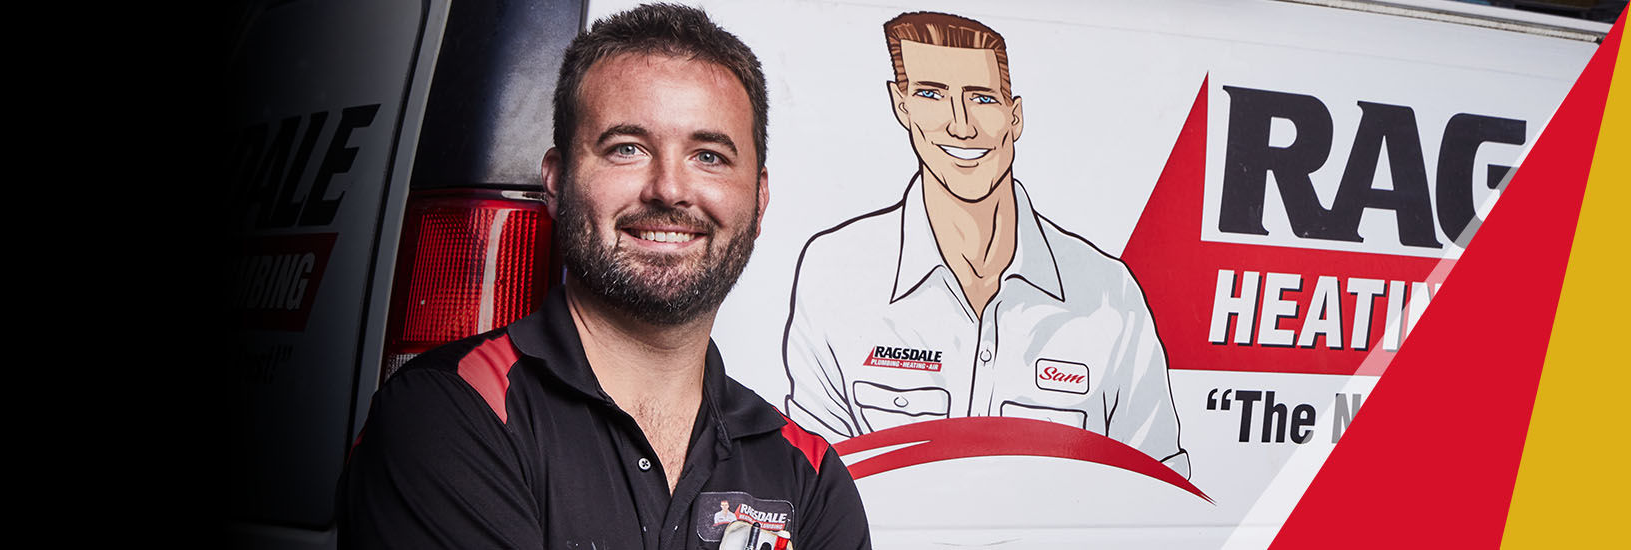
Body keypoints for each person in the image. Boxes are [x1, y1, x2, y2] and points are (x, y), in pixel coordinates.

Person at [344, 4, 871, 548]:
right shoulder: (451, 416)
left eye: (709, 156)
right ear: (555, 180)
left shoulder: (807, 475)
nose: (669, 189)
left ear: (759, 200)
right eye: (627, 149)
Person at [782, 11, 1190, 478]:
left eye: (981, 98)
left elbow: (1158, 486)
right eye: (931, 95)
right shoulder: (836, 273)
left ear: (1014, 117)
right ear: (901, 106)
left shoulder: (1107, 294)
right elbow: (810, 487)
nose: (960, 125)